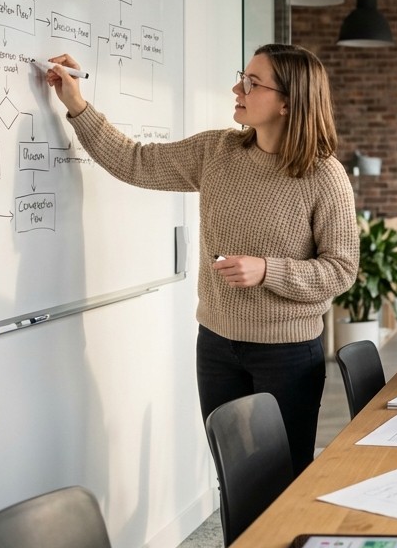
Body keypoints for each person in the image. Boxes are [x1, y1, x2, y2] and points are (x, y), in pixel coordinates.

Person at [41, 45, 358, 475]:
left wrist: (268, 270)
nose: (237, 88)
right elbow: (135, 162)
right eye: (241, 76)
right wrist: (76, 104)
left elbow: (341, 269)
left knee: (283, 481)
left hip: (286, 354)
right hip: (216, 346)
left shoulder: (324, 175)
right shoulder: (217, 152)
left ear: (288, 102)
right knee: (235, 479)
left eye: (252, 82)